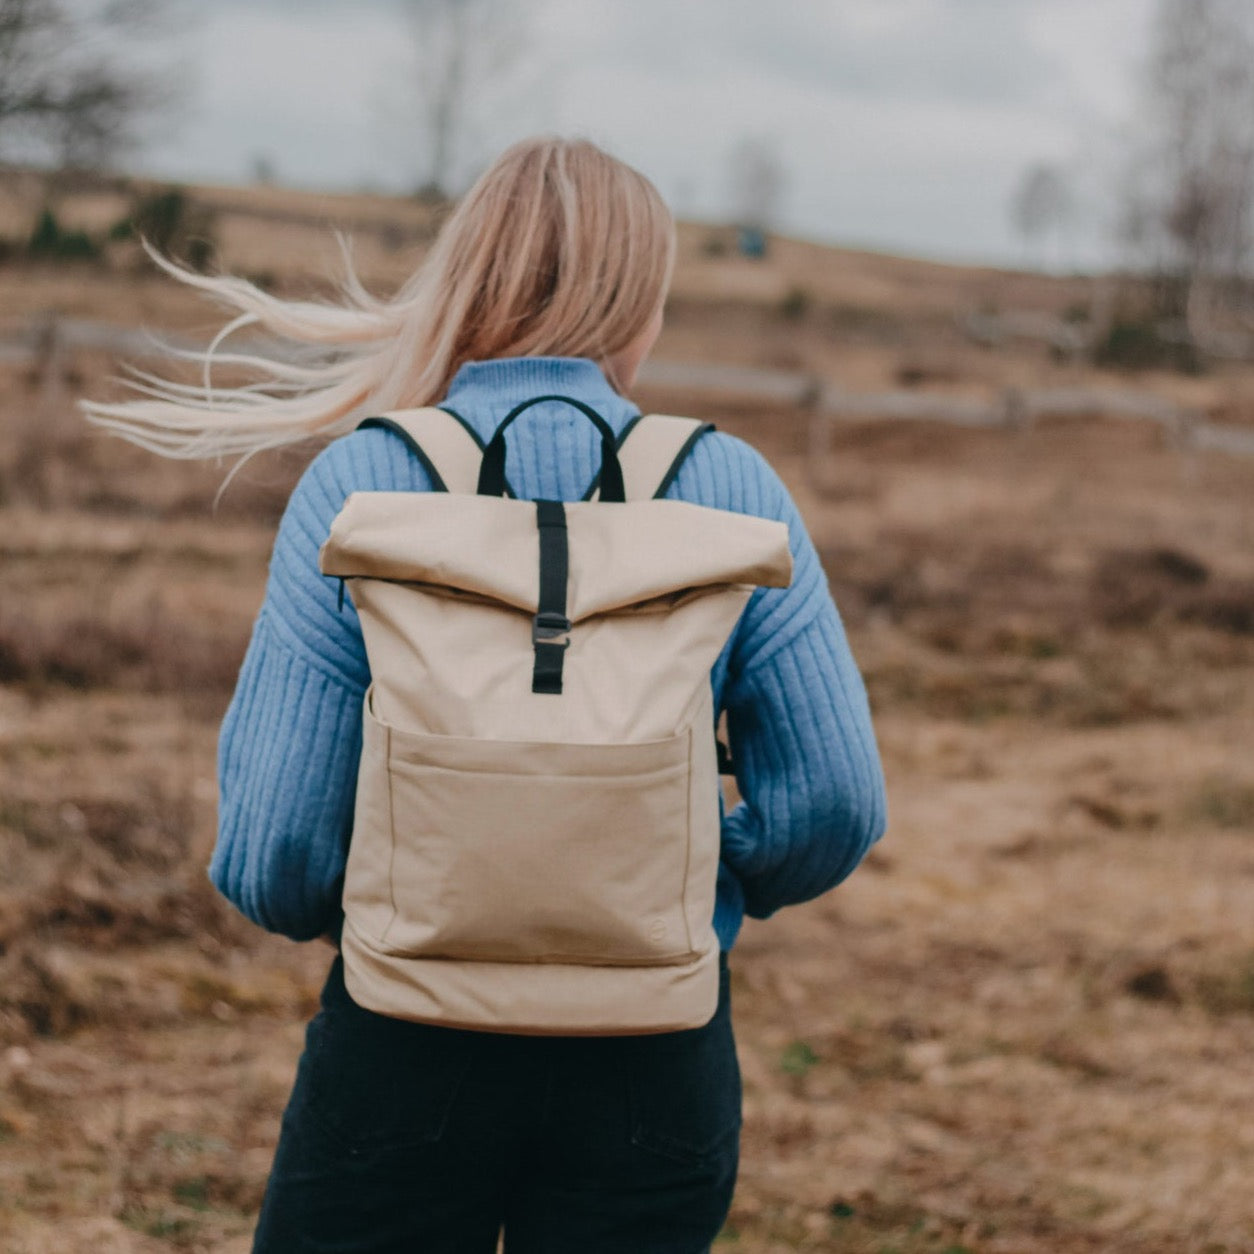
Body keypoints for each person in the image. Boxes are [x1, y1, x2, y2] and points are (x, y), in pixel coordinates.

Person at [82, 136, 887, 1254]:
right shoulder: (728, 485)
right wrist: (666, 871)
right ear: (635, 307)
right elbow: (836, 806)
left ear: (468, 279)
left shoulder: (363, 482)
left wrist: (423, 886)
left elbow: (274, 854)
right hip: (653, 1062)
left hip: (403, 1053)